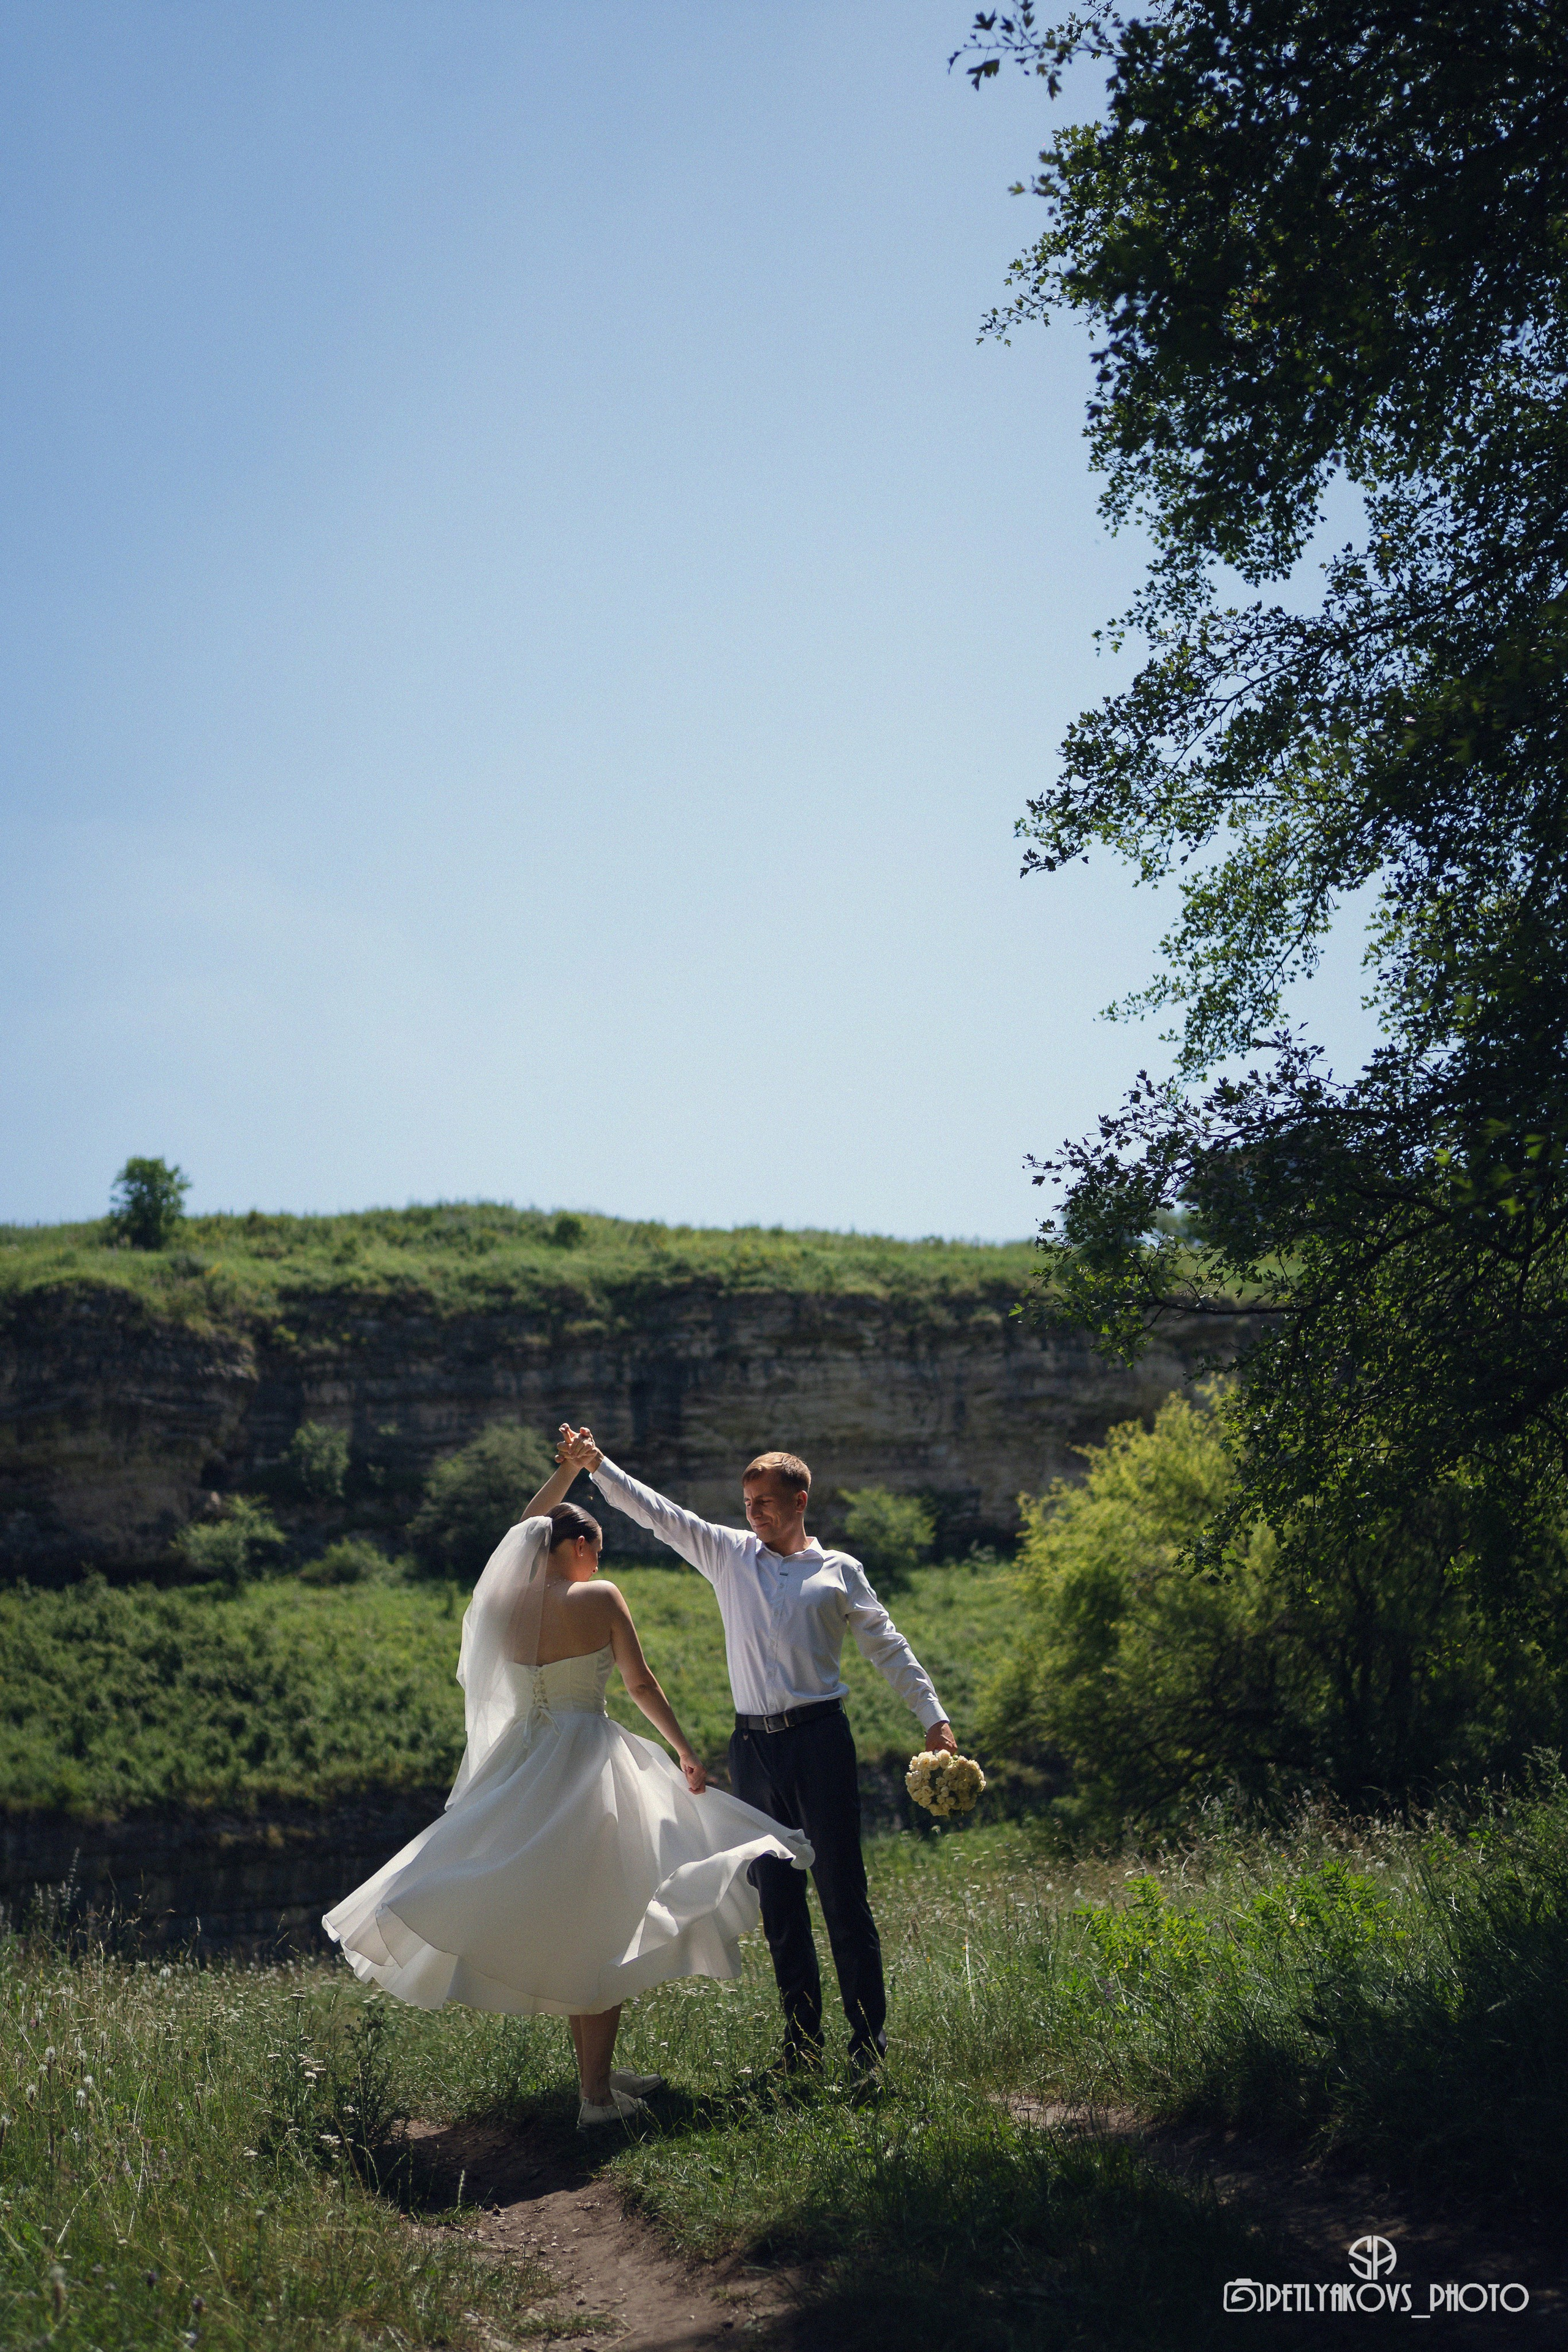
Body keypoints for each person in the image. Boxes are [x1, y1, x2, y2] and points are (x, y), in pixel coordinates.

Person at [322, 1450, 812, 2129]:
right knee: (603, 1926)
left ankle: (599, 2076)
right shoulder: (599, 1597)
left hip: (522, 1767)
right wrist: (684, 1751)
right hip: (587, 1765)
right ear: (578, 1545)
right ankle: (594, 2103)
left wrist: (568, 1474)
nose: (601, 1565)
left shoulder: (504, 1602)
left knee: (572, 1920)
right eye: (597, 1551)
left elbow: (524, 1531)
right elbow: (640, 1684)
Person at [557, 1426, 956, 2076]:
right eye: (748, 1502)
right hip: (753, 1749)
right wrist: (597, 1466)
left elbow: (890, 1647)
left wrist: (933, 1720)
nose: (753, 1513)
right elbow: (658, 1514)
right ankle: (800, 2050)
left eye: (766, 1502)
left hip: (821, 1741)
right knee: (778, 1902)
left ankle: (867, 2049)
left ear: (800, 1500)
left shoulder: (838, 1572)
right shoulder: (727, 1554)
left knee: (842, 1895)